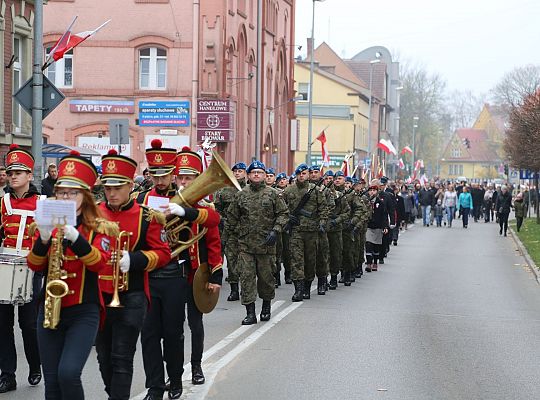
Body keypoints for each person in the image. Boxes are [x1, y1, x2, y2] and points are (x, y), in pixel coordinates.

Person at [27, 150, 115, 400]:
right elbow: (34, 265)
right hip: (49, 308)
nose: (66, 197)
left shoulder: (99, 227)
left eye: (73, 193)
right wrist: (43, 239)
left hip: (83, 310)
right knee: (52, 383)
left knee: (68, 373)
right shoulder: (46, 222)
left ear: (85, 197)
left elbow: (100, 264)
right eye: (62, 192)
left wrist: (76, 238)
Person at [138, 141, 221, 400]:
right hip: (150, 275)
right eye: (155, 174)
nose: (160, 179)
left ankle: (182, 375)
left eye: (165, 174)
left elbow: (213, 228)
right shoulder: (141, 199)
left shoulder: (193, 202)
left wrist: (215, 274)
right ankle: (154, 384)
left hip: (184, 272)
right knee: (150, 335)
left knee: (179, 330)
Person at [96, 150, 171, 400]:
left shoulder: (147, 216)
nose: (112, 193)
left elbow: (163, 253)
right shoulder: (92, 213)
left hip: (133, 294)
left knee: (121, 356)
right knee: (104, 357)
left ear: (130, 185)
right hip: (97, 296)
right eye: (107, 188)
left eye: (117, 187)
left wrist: (135, 259)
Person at [0, 145, 42, 394]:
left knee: (28, 324)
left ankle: (35, 365)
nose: (13, 176)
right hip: (5, 266)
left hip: (31, 267)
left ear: (29, 176)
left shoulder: (44, 202)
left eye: (18, 172)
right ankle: (7, 375)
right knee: (3, 324)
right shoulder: (2, 202)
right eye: (10, 172)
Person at [226, 160, 287, 324]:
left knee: (266, 279)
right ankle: (250, 313)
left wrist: (276, 231)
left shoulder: (273, 194)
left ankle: (266, 307)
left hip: (266, 245)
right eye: (253, 173)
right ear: (249, 175)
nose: (256, 175)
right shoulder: (241, 195)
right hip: (245, 245)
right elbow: (231, 218)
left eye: (260, 172)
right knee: (246, 278)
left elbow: (283, 214)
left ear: (264, 175)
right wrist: (226, 238)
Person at [282, 163, 328, 301]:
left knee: (310, 260)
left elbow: (324, 210)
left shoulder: (316, 191)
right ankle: (298, 290)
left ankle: (307, 286)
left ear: (308, 175)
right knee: (296, 260)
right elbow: (281, 210)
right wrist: (288, 218)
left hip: (311, 231)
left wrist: (322, 224)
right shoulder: (288, 191)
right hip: (296, 231)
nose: (301, 176)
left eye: (304, 173)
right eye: (299, 174)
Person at [214, 162, 247, 302]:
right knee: (232, 261)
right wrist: (223, 220)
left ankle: (247, 289)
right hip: (230, 231)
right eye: (235, 171)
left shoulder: (251, 190)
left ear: (246, 173)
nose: (238, 173)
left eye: (240, 171)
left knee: (247, 263)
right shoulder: (223, 191)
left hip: (248, 233)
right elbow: (217, 209)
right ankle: (234, 290)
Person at [325, 171, 350, 289]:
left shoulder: (340, 196)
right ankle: (323, 279)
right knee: (323, 255)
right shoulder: (321, 193)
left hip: (336, 229)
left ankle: (334, 277)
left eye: (337, 178)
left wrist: (337, 219)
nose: (334, 181)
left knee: (335, 254)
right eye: (329, 178)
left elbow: (347, 212)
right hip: (323, 228)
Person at [365, 180, 389, 272]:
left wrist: (385, 227)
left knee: (376, 247)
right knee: (368, 244)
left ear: (377, 191)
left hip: (378, 227)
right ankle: (369, 263)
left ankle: (375, 262)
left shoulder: (380, 202)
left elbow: (384, 215)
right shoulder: (366, 201)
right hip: (368, 226)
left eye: (374, 190)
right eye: (370, 190)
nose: (372, 192)